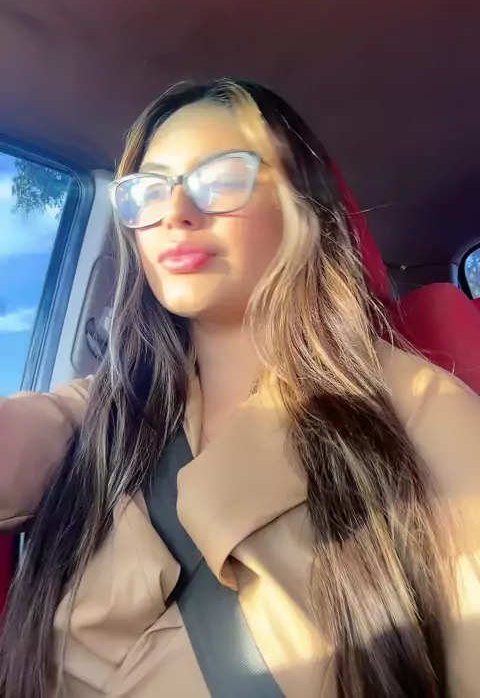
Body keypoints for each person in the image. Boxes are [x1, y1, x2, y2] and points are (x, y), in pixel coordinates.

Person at [0, 78, 479, 698]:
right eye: (149, 190)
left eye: (221, 178)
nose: (174, 212)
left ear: (300, 208)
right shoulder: (108, 407)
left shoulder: (420, 409)